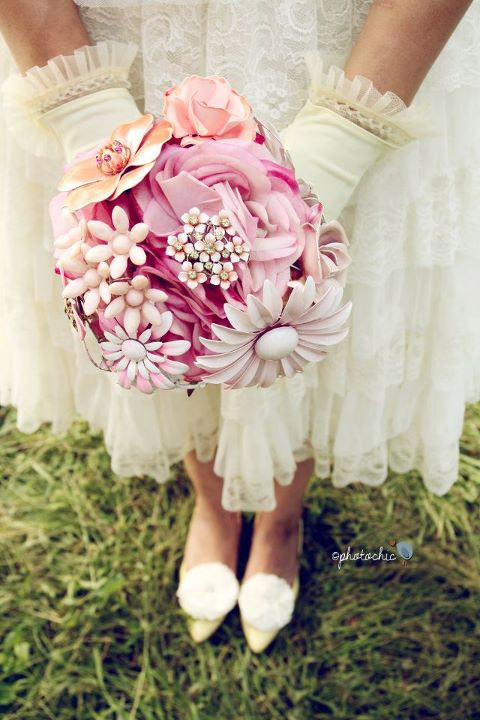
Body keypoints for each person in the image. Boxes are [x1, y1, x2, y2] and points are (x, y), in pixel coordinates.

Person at [0, 0, 477, 653]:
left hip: (331, 43)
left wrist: (344, 139)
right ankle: (213, 501)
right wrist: (84, 110)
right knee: (154, 306)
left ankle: (281, 519)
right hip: (119, 36)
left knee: (303, 307)